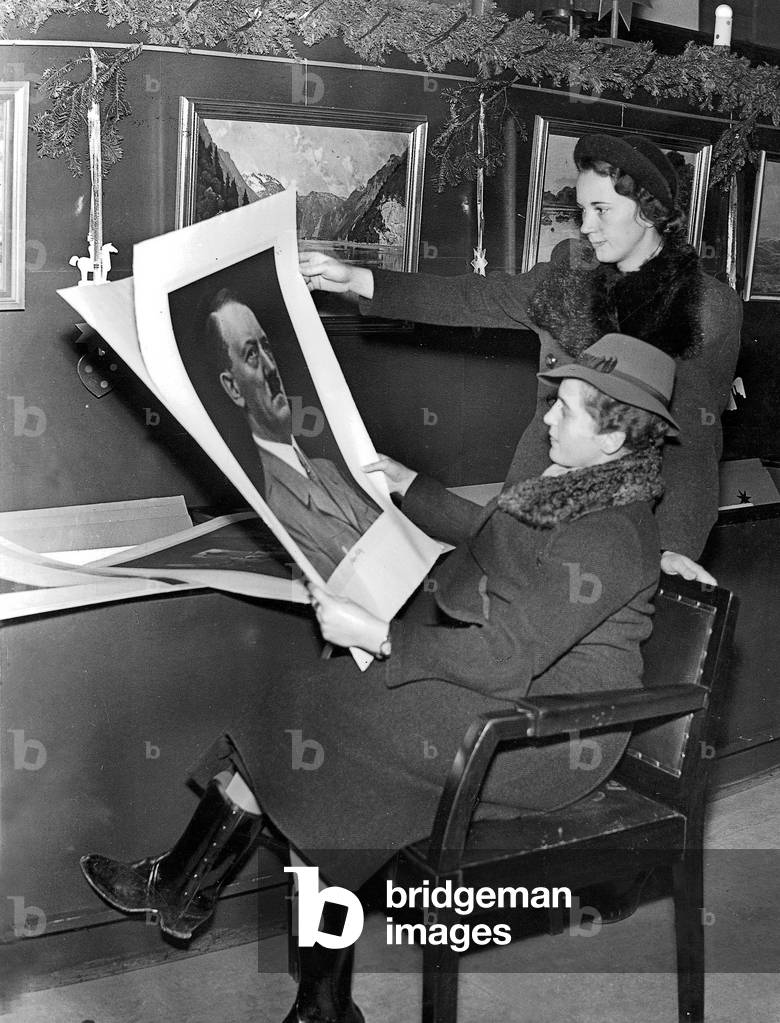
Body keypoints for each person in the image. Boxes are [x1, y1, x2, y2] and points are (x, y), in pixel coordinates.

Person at [81, 332, 679, 1023]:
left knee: (313, 723)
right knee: (309, 729)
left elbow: (509, 653)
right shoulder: (576, 488)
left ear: (612, 440)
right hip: (507, 698)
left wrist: (384, 635)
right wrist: (407, 485)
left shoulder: (608, 532)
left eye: (567, 410)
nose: (547, 419)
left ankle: (195, 895)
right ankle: (286, 972)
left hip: (548, 736)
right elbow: (493, 535)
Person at [299, 132, 743, 585]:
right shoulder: (568, 276)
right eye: (582, 210)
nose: (586, 227)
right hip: (531, 501)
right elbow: (473, 298)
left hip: (621, 531)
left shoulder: (706, 309)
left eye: (601, 211)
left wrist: (671, 550)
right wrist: (354, 277)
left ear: (649, 211)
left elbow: (693, 447)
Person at [205, 288, 380, 580]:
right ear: (234, 388)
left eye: (266, 347)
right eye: (251, 355)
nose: (271, 367)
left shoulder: (327, 470)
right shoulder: (275, 505)